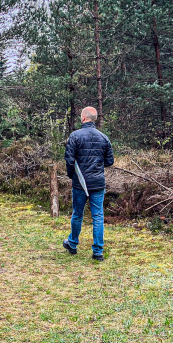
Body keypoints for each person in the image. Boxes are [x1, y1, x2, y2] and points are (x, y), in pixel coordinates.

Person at [63, 106, 114, 260]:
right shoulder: (104, 138)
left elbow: (69, 160)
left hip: (80, 183)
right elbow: (110, 161)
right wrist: (97, 167)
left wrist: (72, 176)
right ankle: (98, 252)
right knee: (98, 216)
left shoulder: (75, 136)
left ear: (84, 118)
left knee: (77, 214)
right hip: (98, 182)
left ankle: (72, 243)